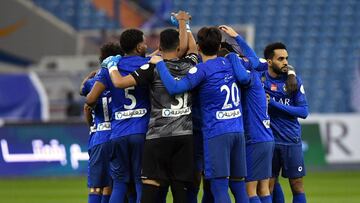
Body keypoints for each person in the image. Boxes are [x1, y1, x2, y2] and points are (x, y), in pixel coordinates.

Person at [103, 11, 198, 203]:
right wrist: (184, 25)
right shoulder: (191, 64)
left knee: (150, 185)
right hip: (184, 136)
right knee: (180, 187)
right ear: (179, 46)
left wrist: (112, 66)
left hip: (158, 136)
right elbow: (193, 48)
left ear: (159, 47)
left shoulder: (151, 66)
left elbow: (120, 83)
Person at [150, 26, 249, 203]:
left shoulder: (201, 70)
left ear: (199, 46)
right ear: (219, 45)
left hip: (217, 133)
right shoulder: (232, 62)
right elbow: (248, 74)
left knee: (218, 187)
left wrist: (159, 64)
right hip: (238, 131)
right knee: (239, 185)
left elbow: (174, 88)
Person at [86, 29, 149, 203]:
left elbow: (90, 99)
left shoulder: (110, 69)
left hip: (117, 133)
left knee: (119, 184)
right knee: (139, 181)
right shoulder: (148, 64)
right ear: (138, 47)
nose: (147, 45)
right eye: (144, 43)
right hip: (140, 131)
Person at [219, 25, 275, 203]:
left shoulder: (247, 75)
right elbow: (253, 58)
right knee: (263, 187)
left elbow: (243, 76)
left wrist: (232, 56)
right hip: (266, 137)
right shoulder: (256, 70)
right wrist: (237, 37)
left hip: (256, 138)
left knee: (249, 189)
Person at [262, 42, 309, 203]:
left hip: (291, 140)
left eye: (286, 58)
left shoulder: (293, 82)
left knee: (297, 185)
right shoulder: (261, 80)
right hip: (270, 142)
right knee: (268, 186)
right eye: (280, 58)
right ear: (269, 61)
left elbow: (303, 112)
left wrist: (274, 104)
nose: (285, 62)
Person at [79, 42, 123, 203]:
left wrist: (89, 76)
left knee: (96, 186)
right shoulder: (121, 80)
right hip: (118, 132)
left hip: (99, 136)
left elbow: (83, 94)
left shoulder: (94, 82)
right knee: (113, 183)